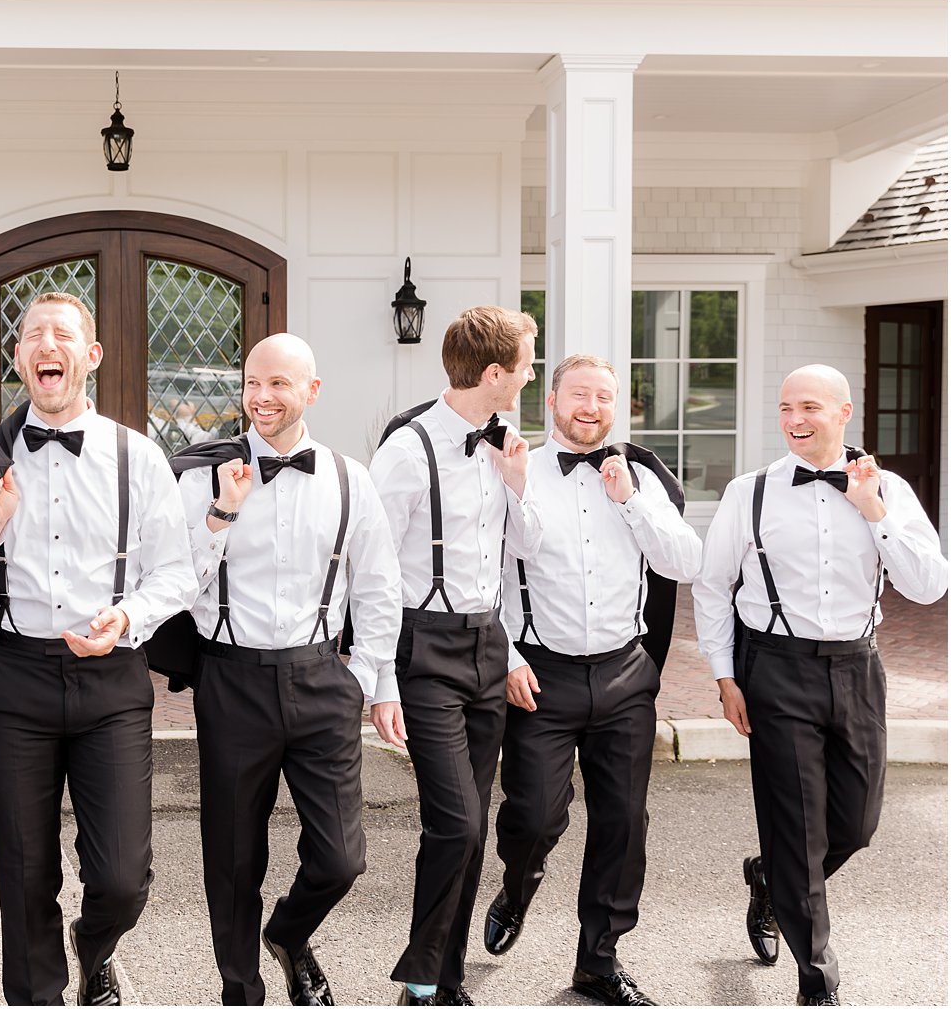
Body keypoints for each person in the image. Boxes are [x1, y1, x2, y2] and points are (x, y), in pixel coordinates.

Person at [0, 291, 196, 1006]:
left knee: (120, 876)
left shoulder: (136, 455)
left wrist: (128, 615)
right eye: (32, 336)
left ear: (91, 355)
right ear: (19, 358)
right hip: (14, 674)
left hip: (110, 677)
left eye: (62, 334)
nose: (46, 345)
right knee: (22, 869)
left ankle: (97, 943)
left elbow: (177, 569)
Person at [692, 364, 946, 1007]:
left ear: (844, 412)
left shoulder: (887, 489)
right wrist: (725, 676)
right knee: (797, 823)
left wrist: (874, 511)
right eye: (785, 408)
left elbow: (928, 585)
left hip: (858, 666)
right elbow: (713, 585)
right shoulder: (749, 493)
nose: (795, 420)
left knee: (857, 824)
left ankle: (771, 880)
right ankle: (817, 979)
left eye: (809, 406)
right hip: (774, 668)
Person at [169, 333, 402, 1006]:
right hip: (231, 678)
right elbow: (177, 586)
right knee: (235, 856)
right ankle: (240, 987)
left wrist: (372, 680)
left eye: (278, 384)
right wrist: (222, 513)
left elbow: (380, 585)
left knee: (341, 856)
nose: (262, 397)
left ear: (312, 390)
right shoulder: (201, 475)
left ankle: (291, 933)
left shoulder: (349, 478)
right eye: (251, 383)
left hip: (322, 677)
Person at [486, 354, 701, 1006]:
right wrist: (505, 656)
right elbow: (479, 575)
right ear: (551, 400)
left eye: (603, 396)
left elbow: (684, 559)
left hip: (624, 672)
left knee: (622, 821)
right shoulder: (511, 469)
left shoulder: (640, 477)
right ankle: (517, 884)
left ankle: (598, 960)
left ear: (618, 406)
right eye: (578, 394)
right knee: (533, 814)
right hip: (539, 673)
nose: (590, 406)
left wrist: (630, 501)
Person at [368, 305, 542, 1006]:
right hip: (423, 648)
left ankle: (445, 975)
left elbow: (526, 548)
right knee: (457, 819)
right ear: (495, 373)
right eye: (527, 366)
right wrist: (380, 676)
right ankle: (420, 972)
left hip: (486, 642)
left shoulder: (505, 442)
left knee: (470, 822)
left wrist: (517, 479)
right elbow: (372, 568)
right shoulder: (407, 449)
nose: (530, 377)